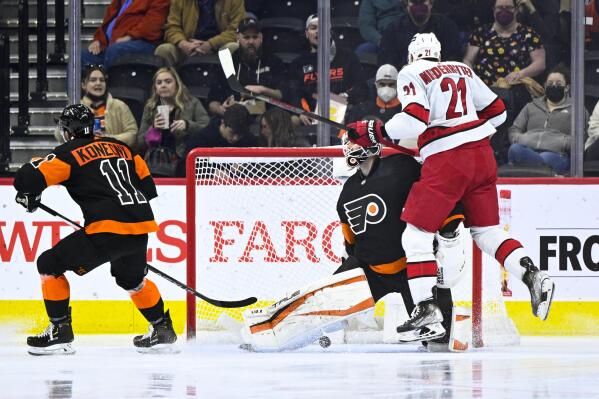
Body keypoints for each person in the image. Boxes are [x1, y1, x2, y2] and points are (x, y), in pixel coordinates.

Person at [347, 33, 554, 342]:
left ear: (412, 54)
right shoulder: (462, 68)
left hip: (447, 163)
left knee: (415, 235)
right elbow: (498, 112)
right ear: (439, 52)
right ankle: (533, 274)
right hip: (481, 156)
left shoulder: (411, 72)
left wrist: (376, 130)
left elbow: (415, 121)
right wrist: (467, 132)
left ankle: (426, 310)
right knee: (487, 232)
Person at [241, 136, 468, 352]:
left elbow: (436, 189)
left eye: (353, 142)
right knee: (320, 303)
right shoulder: (347, 191)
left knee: (440, 340)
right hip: (369, 270)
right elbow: (350, 241)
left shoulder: (401, 166)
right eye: (347, 143)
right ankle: (270, 333)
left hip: (414, 270)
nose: (349, 148)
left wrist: (449, 229)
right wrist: (346, 270)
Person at [13, 104, 176, 355]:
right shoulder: (123, 148)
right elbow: (147, 186)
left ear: (67, 131)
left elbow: (28, 178)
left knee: (48, 264)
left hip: (106, 230)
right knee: (131, 280)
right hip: (140, 227)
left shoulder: (69, 152)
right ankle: (162, 327)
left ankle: (59, 331)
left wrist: (29, 193)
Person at [287, 15, 366, 126]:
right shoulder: (298, 63)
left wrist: (346, 97)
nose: (318, 32)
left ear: (330, 32)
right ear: (306, 33)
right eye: (313, 28)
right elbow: (293, 93)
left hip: (344, 115)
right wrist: (300, 111)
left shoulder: (347, 57)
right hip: (309, 118)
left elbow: (361, 87)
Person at [507, 66, 588, 175]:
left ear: (567, 87)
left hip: (557, 154)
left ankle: (533, 168)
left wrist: (563, 143)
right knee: (515, 149)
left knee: (546, 158)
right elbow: (515, 129)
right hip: (527, 150)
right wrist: (520, 138)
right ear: (545, 86)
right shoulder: (531, 106)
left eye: (558, 84)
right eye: (550, 84)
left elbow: (582, 136)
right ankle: (545, 171)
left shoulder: (577, 109)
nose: (554, 86)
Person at [207, 17, 286, 117]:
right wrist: (221, 109)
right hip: (230, 118)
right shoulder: (228, 63)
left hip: (266, 117)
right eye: (246, 37)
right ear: (238, 38)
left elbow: (282, 95)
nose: (251, 42)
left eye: (255, 37)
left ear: (261, 38)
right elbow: (212, 102)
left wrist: (262, 89)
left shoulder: (273, 61)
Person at [137, 67, 210, 161]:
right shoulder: (150, 107)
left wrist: (188, 125)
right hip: (156, 159)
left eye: (168, 81)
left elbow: (207, 130)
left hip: (184, 158)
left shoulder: (192, 103)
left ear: (177, 84)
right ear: (155, 87)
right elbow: (140, 143)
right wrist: (153, 129)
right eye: (159, 83)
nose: (163, 85)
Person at [55, 66, 138, 147]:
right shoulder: (75, 107)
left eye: (102, 80)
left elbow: (132, 133)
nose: (98, 83)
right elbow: (59, 135)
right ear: (83, 85)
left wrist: (108, 139)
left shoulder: (120, 106)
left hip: (113, 155)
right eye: (93, 80)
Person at [154, 0, 245, 67]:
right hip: (188, 47)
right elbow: (172, 26)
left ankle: (232, 90)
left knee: (234, 47)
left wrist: (210, 44)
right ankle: (172, 89)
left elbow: (237, 30)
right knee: (164, 50)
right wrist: (182, 43)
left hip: (219, 47)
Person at [81, 0, 169, 68]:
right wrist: (99, 40)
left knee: (115, 50)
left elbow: (153, 22)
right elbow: (108, 21)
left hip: (145, 43)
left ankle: (108, 88)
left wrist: (130, 36)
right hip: (111, 45)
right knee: (82, 56)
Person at [176, 104, 258, 176]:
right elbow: (182, 168)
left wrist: (245, 166)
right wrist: (210, 172)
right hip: (205, 188)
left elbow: (259, 165)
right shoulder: (202, 138)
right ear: (223, 123)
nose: (236, 138)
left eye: (240, 134)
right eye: (232, 132)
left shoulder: (249, 139)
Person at [378, 0, 462, 70]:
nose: (418, 7)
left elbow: (453, 61)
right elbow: (387, 64)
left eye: (422, 2)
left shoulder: (447, 26)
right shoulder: (393, 30)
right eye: (414, 2)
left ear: (431, 3)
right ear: (407, 4)